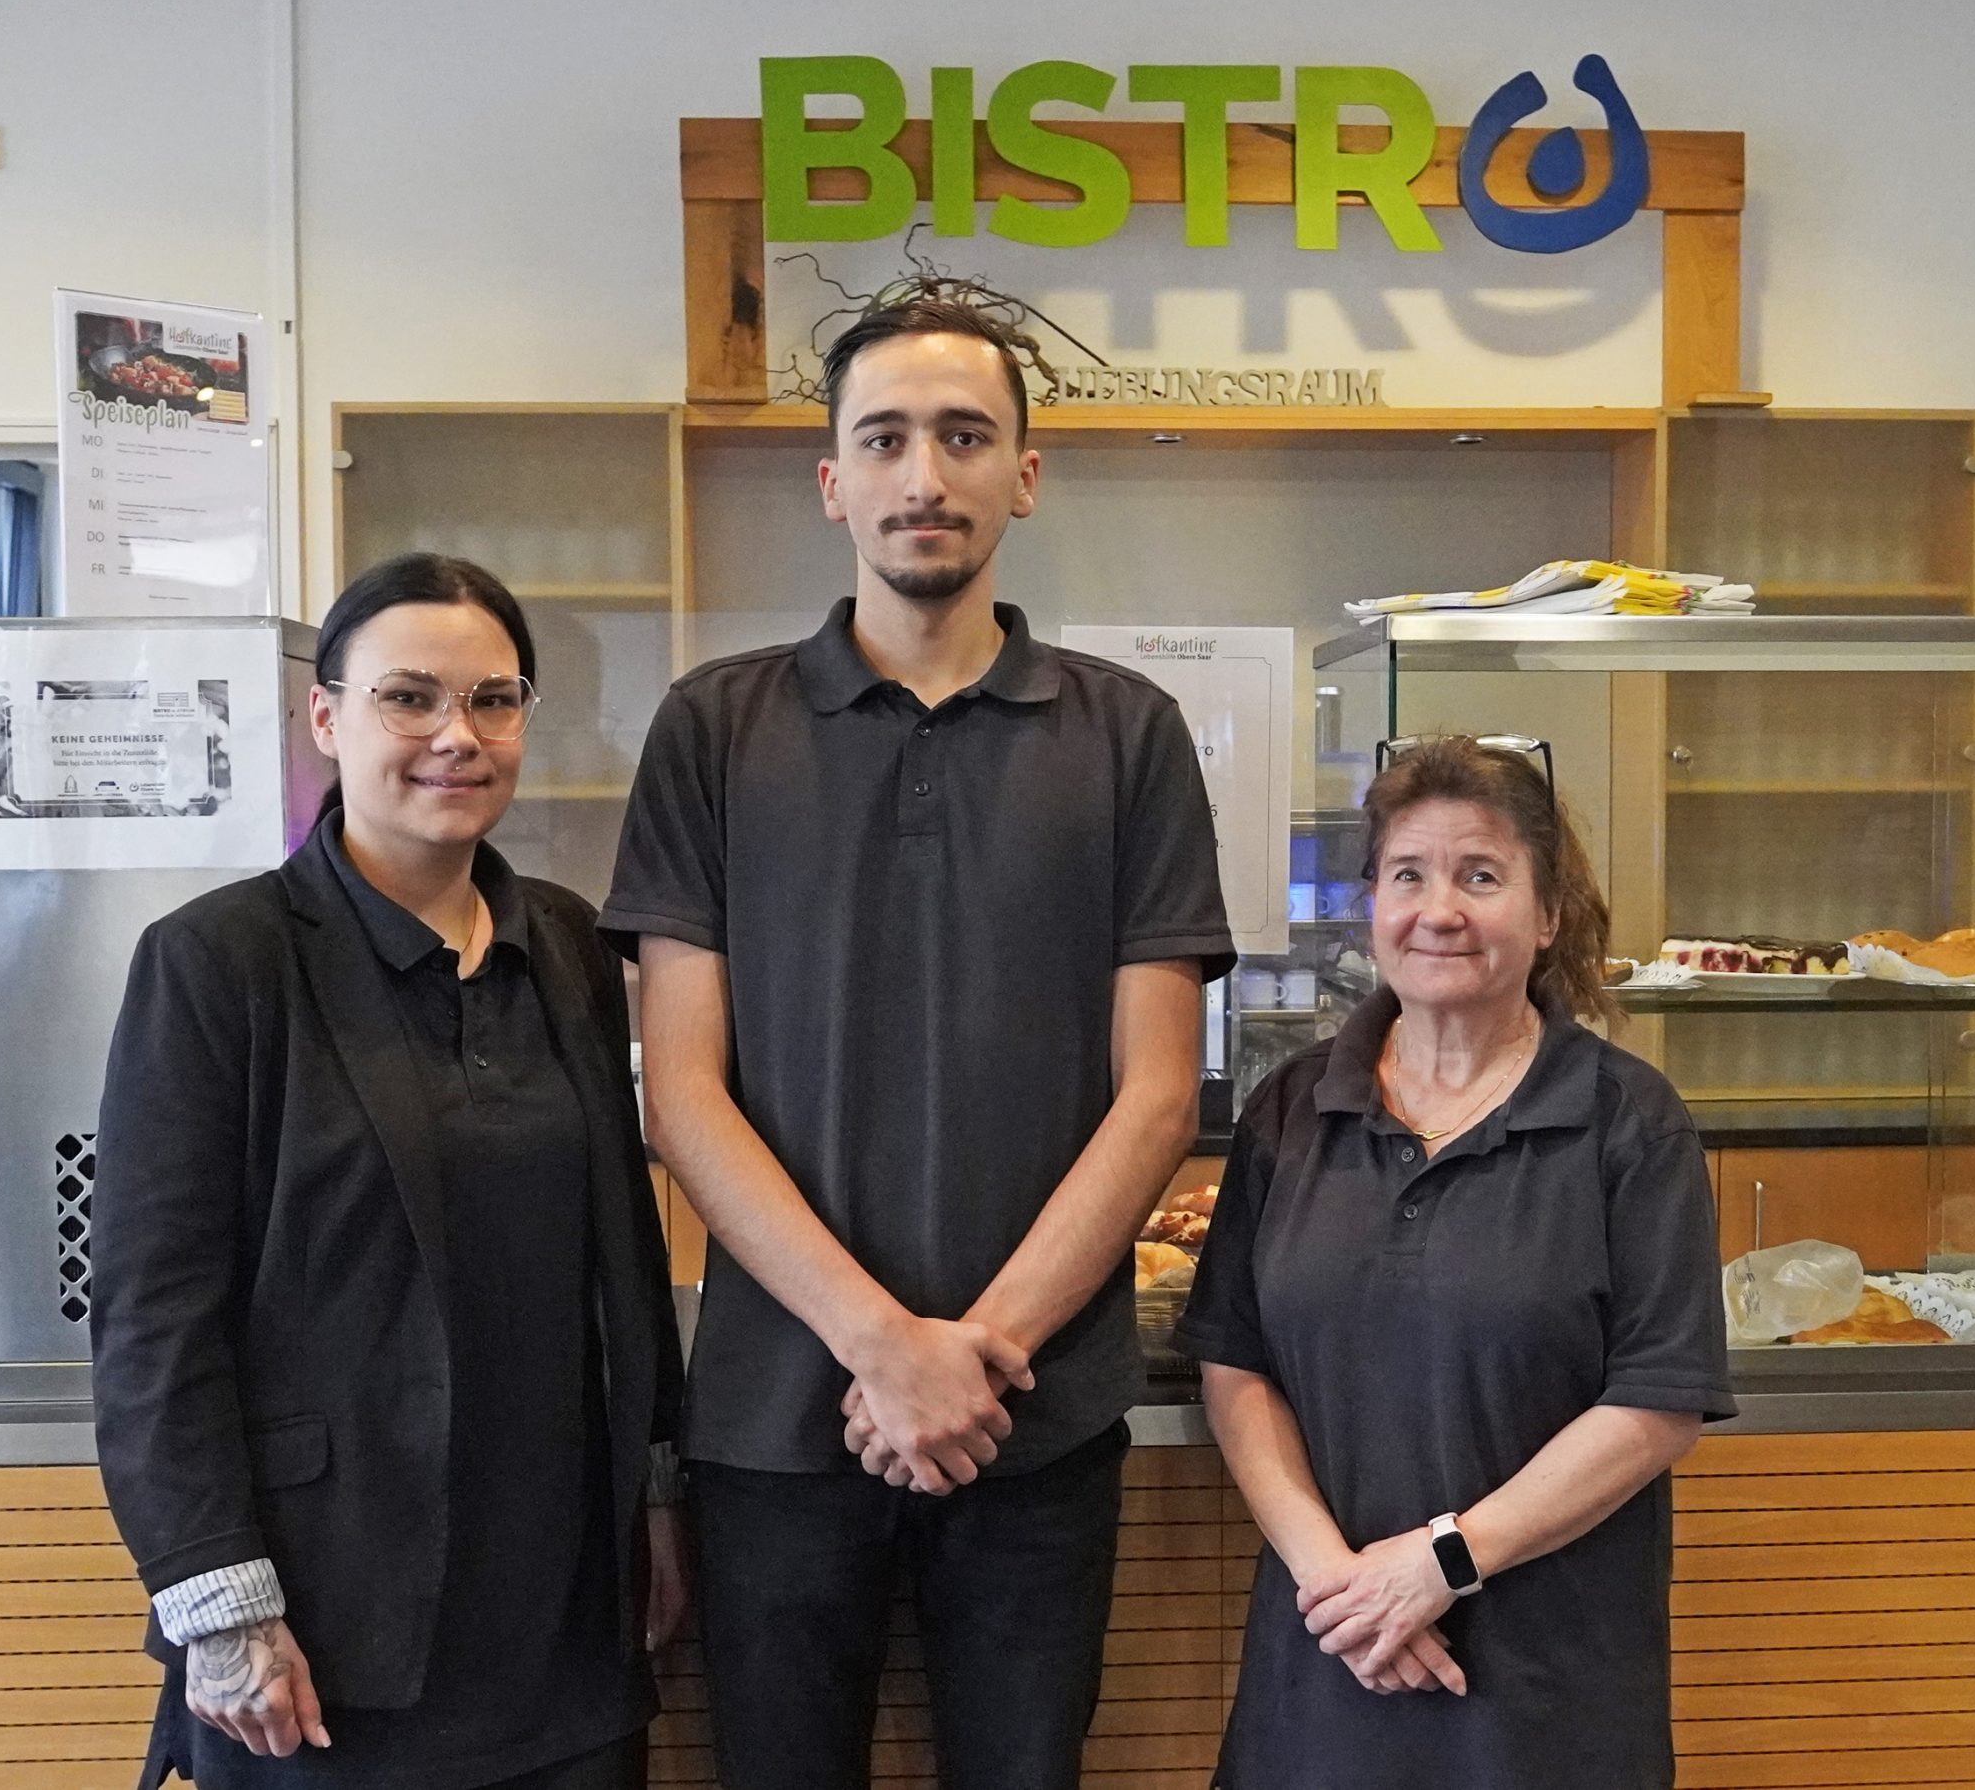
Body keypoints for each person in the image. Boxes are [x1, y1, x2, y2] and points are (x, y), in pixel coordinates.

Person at [602, 295, 1235, 1790]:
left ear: (1026, 474)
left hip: (1038, 1417)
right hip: (774, 1413)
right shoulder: (713, 729)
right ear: (832, 482)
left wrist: (981, 1356)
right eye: (884, 440)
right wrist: (885, 1349)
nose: (923, 477)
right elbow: (680, 1093)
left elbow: (1156, 1095)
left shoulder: (1129, 736)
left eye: (964, 438)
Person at [91, 553, 687, 1790]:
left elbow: (620, 1256)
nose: (454, 737)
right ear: (328, 716)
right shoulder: (221, 963)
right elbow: (152, 1315)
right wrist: (218, 1603)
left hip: (564, 1619)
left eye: (493, 700)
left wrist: (660, 1495)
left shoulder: (570, 946)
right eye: (408, 697)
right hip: (321, 1631)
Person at [1175, 734, 1734, 1788]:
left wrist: (1440, 1560)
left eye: (1482, 875)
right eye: (1408, 875)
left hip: (1542, 1689)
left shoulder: (1627, 1122)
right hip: (1329, 1656)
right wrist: (1337, 1583)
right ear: (1372, 904)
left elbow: (1658, 1402)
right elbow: (1235, 1366)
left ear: (1549, 912)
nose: (1441, 909)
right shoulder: (1292, 1109)